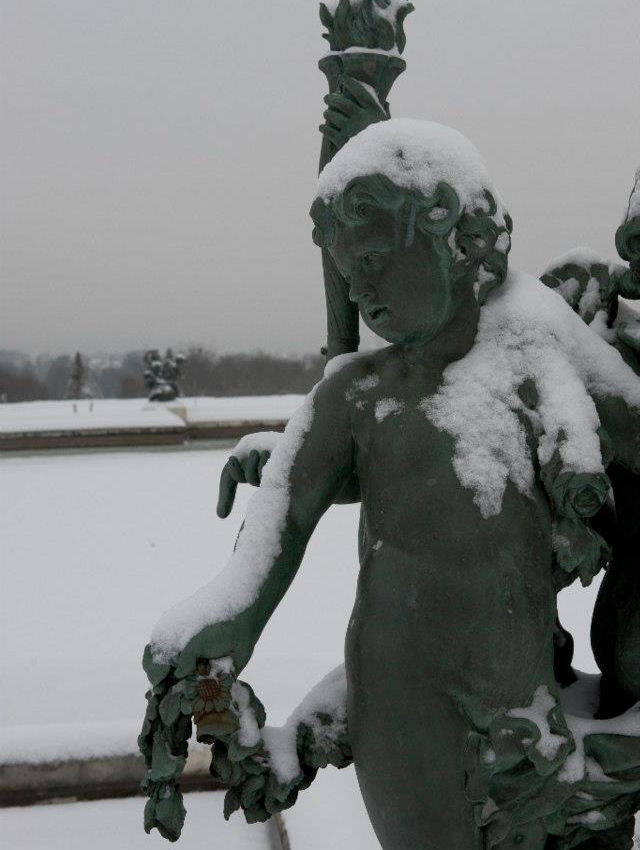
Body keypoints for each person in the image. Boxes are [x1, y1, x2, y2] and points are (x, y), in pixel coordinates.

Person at [141, 118, 640, 849]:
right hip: (401, 697)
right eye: (349, 274)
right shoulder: (355, 394)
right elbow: (284, 516)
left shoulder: (537, 347)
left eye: (375, 259)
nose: (362, 290)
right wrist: (231, 613)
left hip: (523, 709)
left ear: (458, 241)